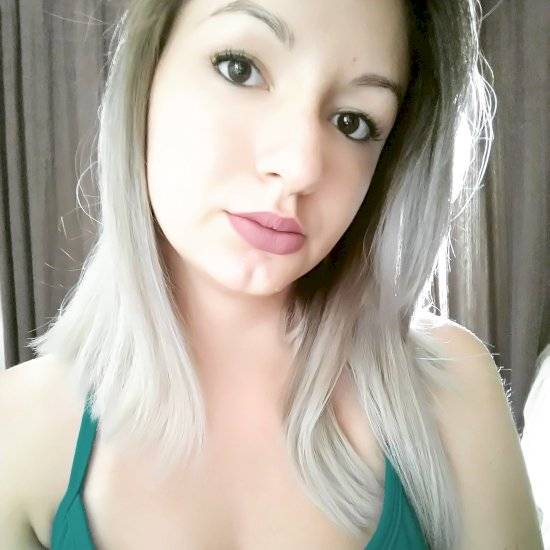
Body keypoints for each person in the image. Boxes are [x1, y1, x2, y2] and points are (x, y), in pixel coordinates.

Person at [0, 0, 543, 548]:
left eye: (353, 122)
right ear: (147, 72)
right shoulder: (18, 431)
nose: (301, 166)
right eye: (240, 69)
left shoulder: (450, 392)